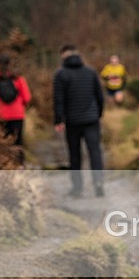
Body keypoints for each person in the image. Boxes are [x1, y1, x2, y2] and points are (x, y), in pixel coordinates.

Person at [53, 44, 105, 197]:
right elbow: (99, 96)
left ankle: (77, 187)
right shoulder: (91, 72)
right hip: (91, 119)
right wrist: (98, 113)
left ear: (63, 56)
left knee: (74, 154)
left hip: (73, 121)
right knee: (95, 151)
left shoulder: (61, 74)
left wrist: (58, 120)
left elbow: (59, 100)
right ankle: (99, 183)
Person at [0, 53, 32, 166]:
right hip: (17, 114)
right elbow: (27, 97)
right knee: (18, 141)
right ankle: (20, 165)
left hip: (0, 115)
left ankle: (7, 165)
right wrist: (21, 105)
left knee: (3, 142)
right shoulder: (18, 78)